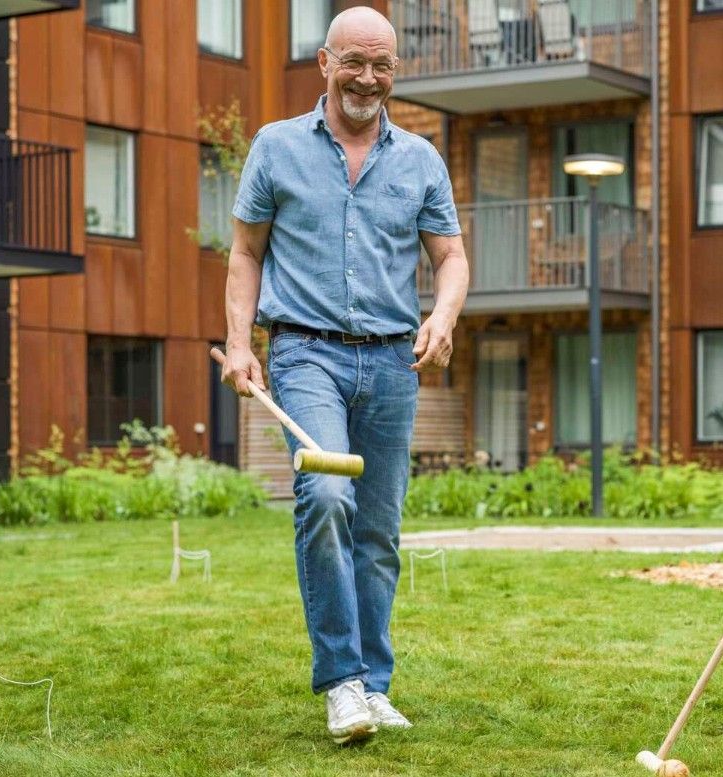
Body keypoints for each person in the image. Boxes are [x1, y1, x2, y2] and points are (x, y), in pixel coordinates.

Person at [221, 7, 469, 746]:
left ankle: (375, 683)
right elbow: (243, 252)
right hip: (306, 352)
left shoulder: (420, 159)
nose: (368, 77)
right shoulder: (274, 147)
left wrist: (445, 316)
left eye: (382, 65)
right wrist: (240, 340)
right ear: (325, 62)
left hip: (394, 359)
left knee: (379, 529)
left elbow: (449, 257)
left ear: (395, 71)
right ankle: (341, 681)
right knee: (326, 494)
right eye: (354, 61)